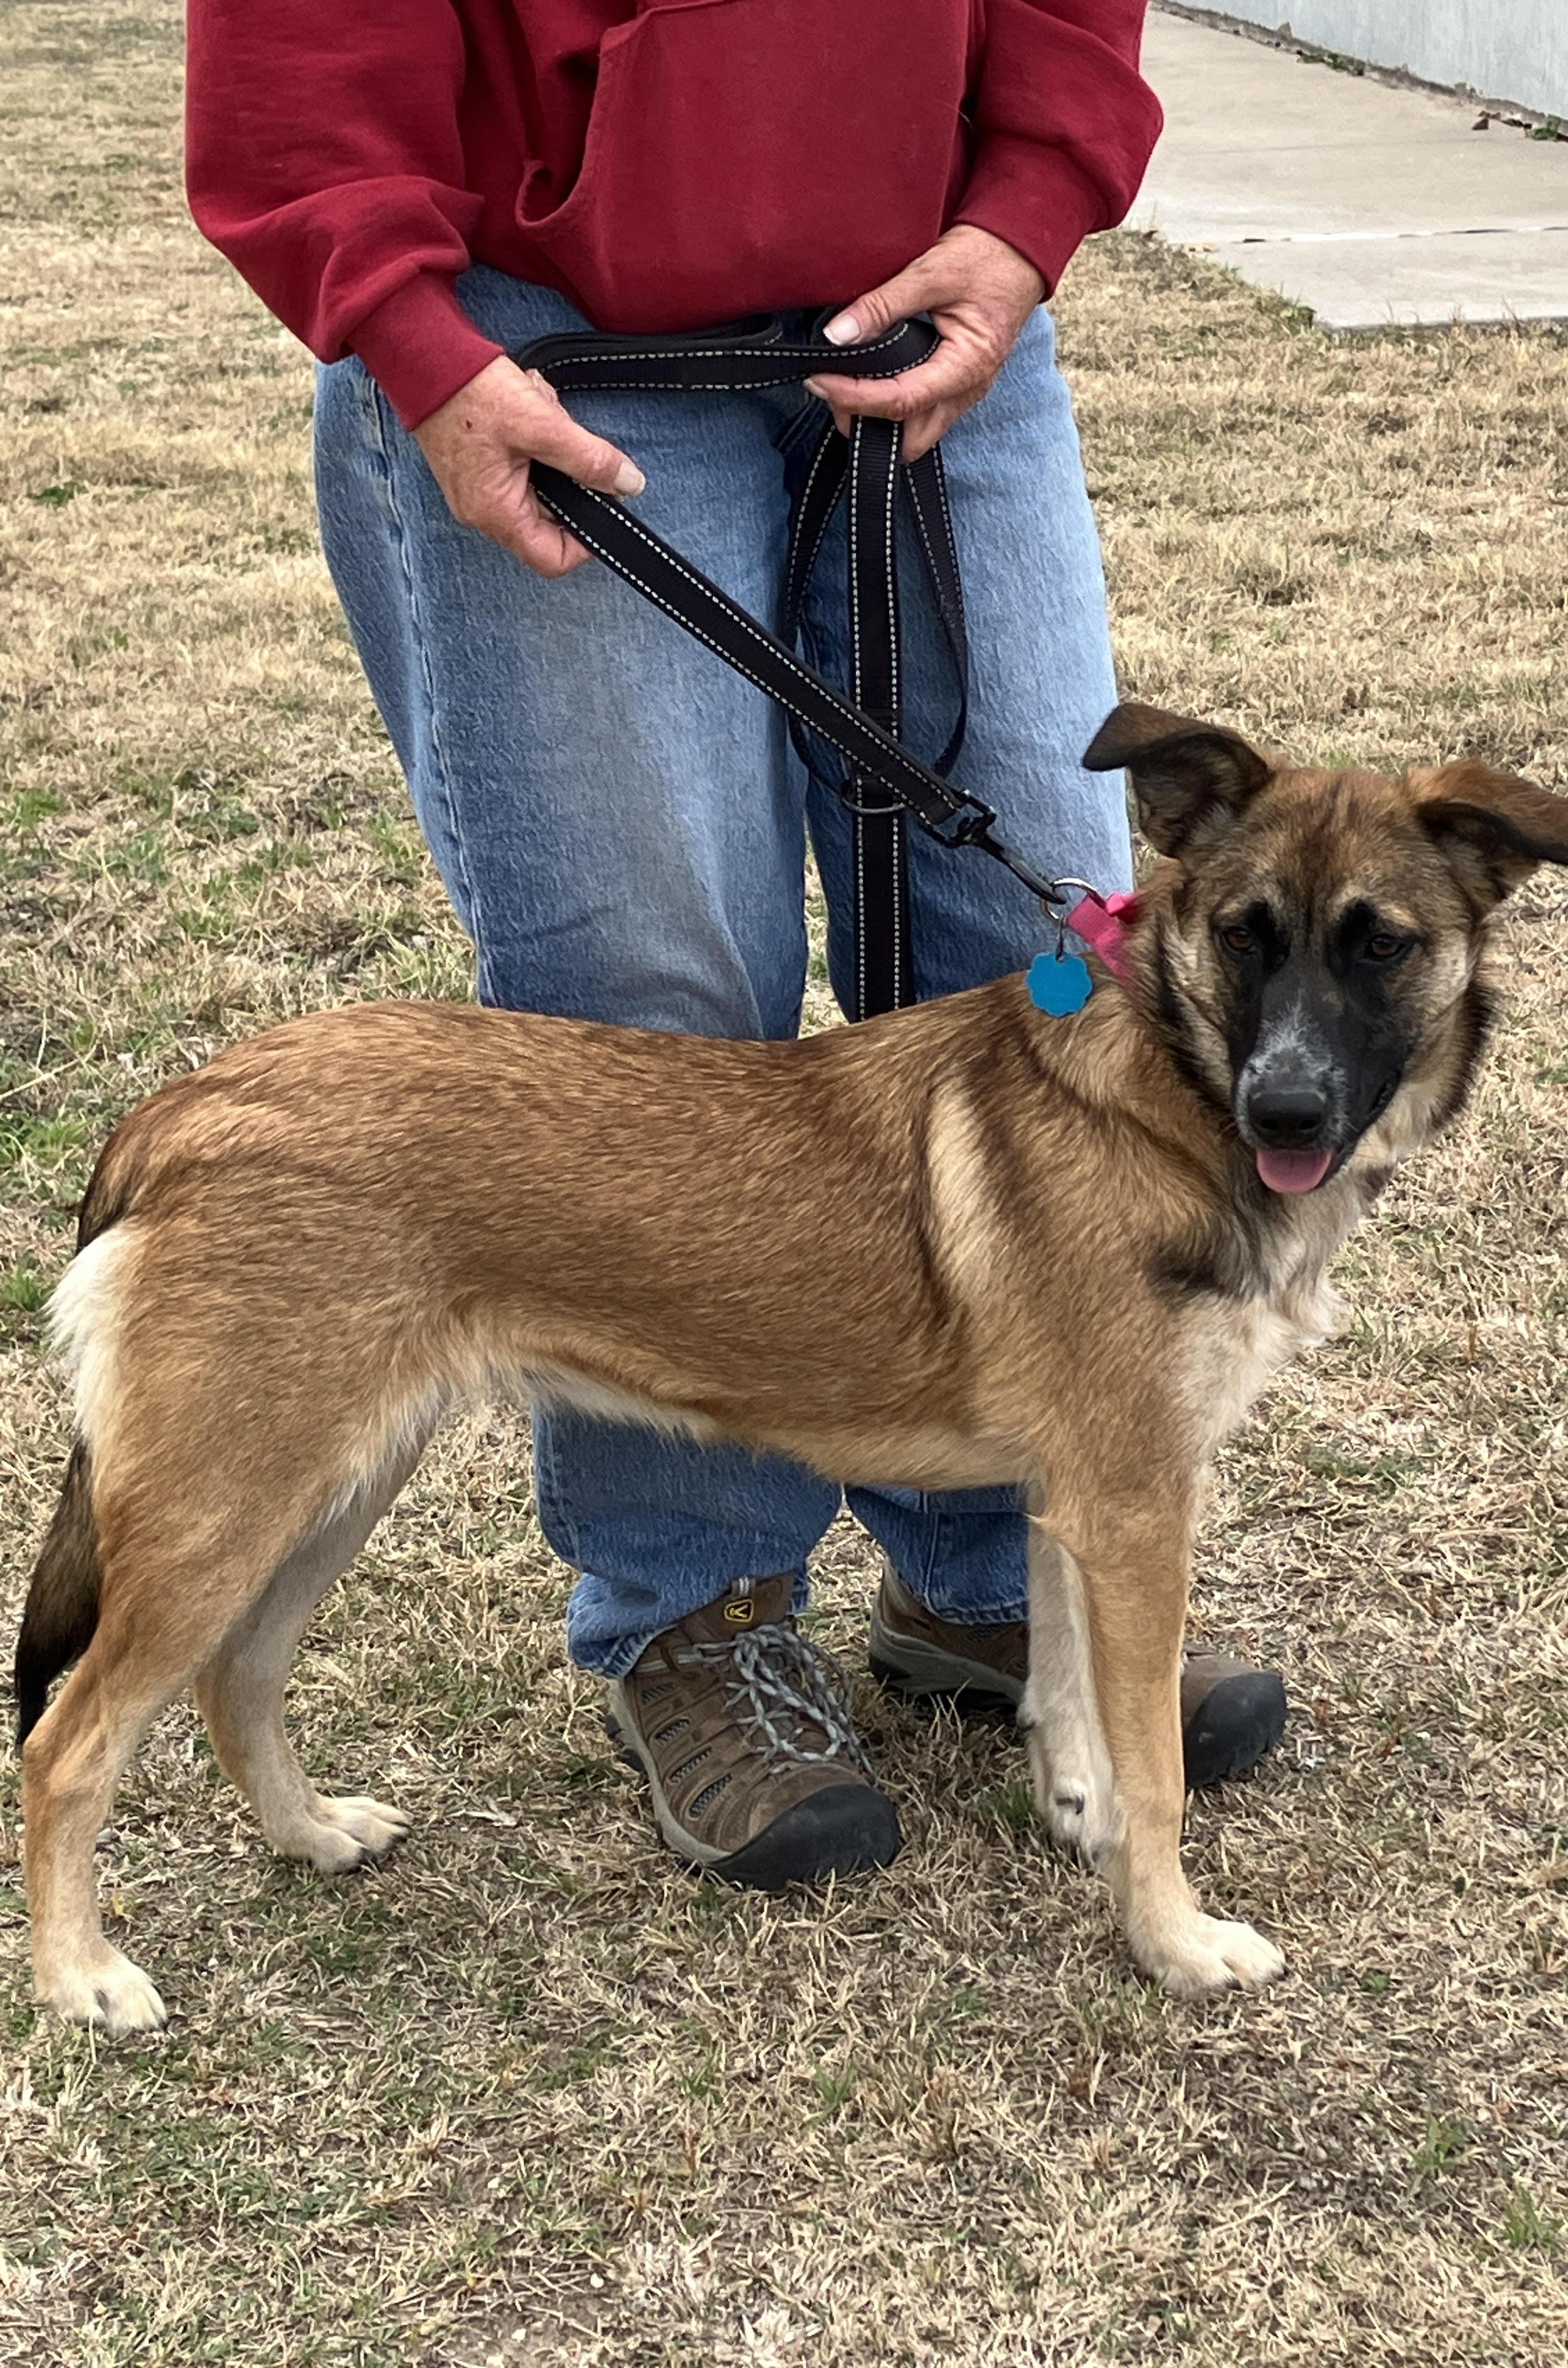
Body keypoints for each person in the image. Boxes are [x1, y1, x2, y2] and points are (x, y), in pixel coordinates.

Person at [184, 1, 1288, 1889]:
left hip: (931, 289)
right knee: (654, 993)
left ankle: (999, 1569)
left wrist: (1030, 208)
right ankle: (697, 1605)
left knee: (1037, 948)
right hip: (549, 323)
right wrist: (409, 329)